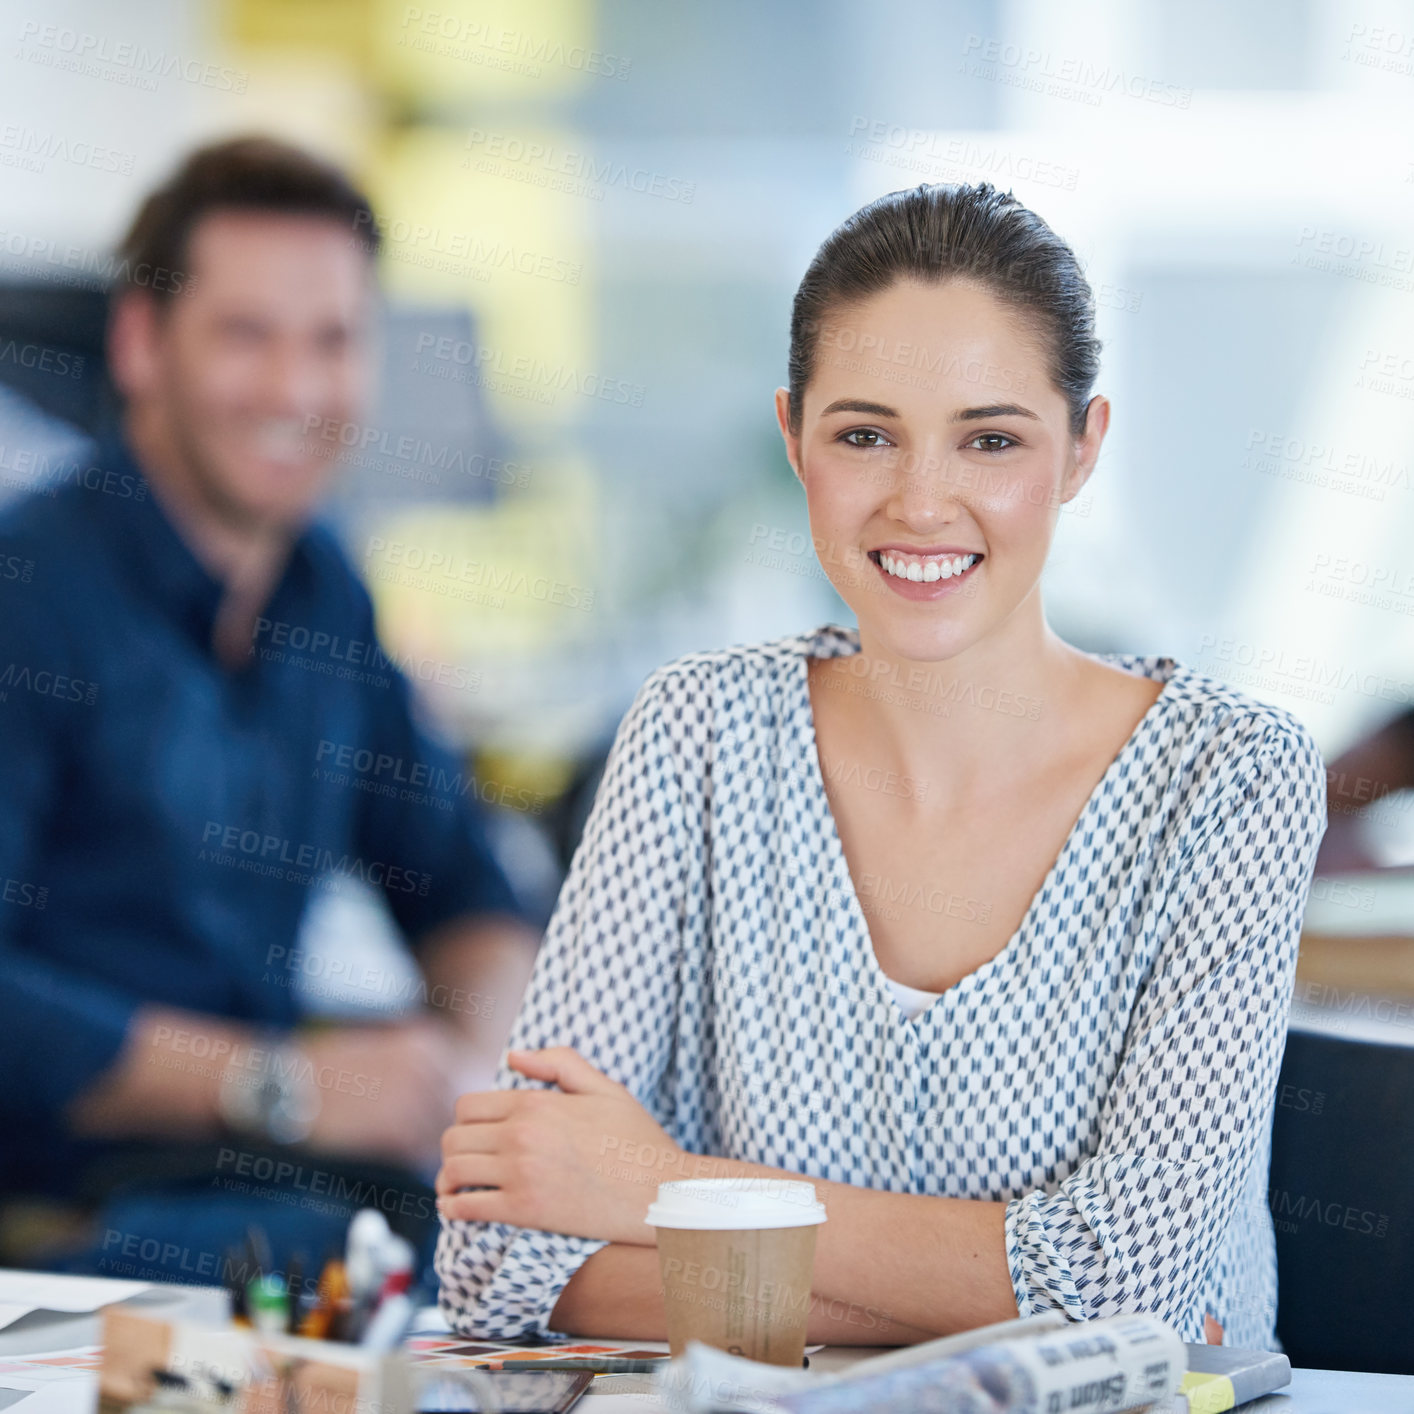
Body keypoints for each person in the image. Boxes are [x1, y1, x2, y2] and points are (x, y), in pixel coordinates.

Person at [434, 183, 1327, 1349]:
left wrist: (665, 1192)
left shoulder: (1232, 779)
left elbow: (1137, 1290)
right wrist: (992, 1291)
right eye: (864, 434)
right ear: (794, 438)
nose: (919, 500)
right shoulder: (695, 733)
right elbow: (501, 1254)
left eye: (991, 439)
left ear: (1079, 450)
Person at [0, 137, 539, 1277]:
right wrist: (282, 1086)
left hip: (263, 1183)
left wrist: (468, 1077)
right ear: (144, 345)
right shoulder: (29, 592)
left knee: (579, 1234)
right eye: (247, 334)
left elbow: (465, 888)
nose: (296, 389)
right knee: (419, 1274)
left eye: (332, 340)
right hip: (63, 1210)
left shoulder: (322, 590)